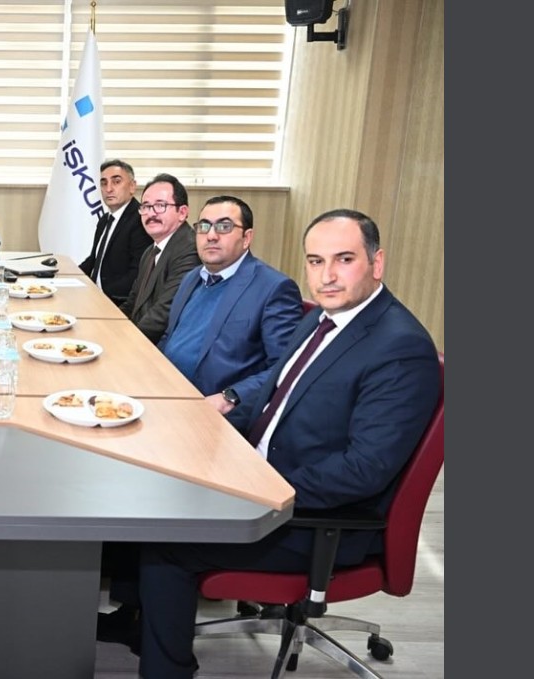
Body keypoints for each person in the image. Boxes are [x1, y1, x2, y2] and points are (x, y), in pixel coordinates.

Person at [98, 209, 441, 679]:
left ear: (376, 263)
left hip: (315, 519)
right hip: (262, 473)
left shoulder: (399, 348)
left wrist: (256, 487)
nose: (327, 275)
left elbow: (364, 470)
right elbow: (274, 392)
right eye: (316, 261)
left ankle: (166, 668)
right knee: (142, 483)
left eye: (344, 259)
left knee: (165, 543)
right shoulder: (324, 318)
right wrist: (203, 422)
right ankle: (140, 622)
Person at [157, 195, 303, 414]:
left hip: (213, 410)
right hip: (166, 393)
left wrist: (230, 397)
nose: (211, 235)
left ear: (246, 238)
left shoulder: (274, 288)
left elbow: (287, 368)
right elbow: (170, 337)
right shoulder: (192, 278)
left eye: (224, 227)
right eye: (204, 226)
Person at [119, 173, 201, 344]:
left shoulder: (189, 250)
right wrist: (109, 327)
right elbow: (132, 303)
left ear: (182, 212)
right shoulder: (150, 251)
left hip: (161, 347)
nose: (151, 213)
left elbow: (163, 313)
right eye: (146, 206)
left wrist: (125, 342)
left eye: (160, 205)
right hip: (139, 337)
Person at [78, 159, 153, 306]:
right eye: (104, 183)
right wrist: (65, 276)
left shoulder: (140, 220)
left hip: (117, 302)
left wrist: (97, 295)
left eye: (116, 182)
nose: (109, 189)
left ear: (132, 186)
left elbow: (137, 275)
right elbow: (93, 260)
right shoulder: (104, 220)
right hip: (94, 297)